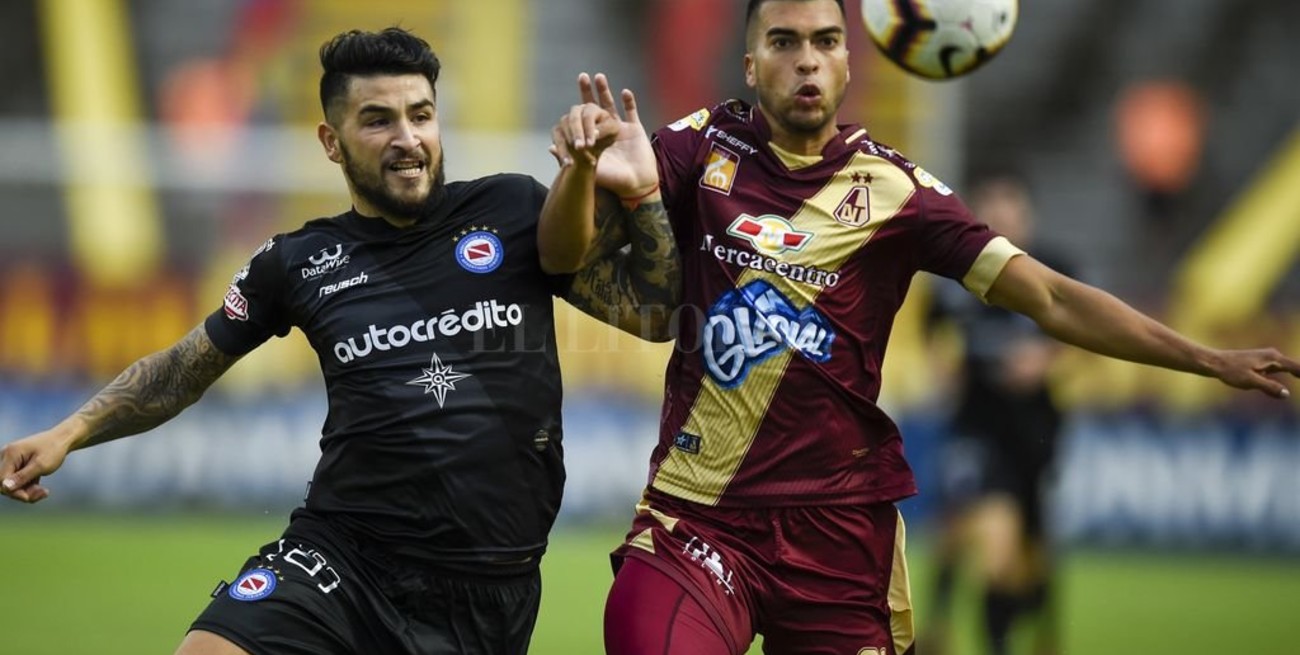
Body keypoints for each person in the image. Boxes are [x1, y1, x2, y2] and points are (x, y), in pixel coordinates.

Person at [562, 2, 1300, 654]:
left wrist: (1207, 359)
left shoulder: (898, 192)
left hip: (837, 539)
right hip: (698, 520)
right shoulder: (698, 149)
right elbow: (568, 259)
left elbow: (1049, 297)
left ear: (849, 61)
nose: (807, 59)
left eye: (825, 40)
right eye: (784, 41)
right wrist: (582, 177)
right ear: (750, 63)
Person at [0, 28, 675, 655]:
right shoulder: (296, 262)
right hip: (341, 558)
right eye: (378, 120)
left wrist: (642, 195)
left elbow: (655, 315)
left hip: (487, 594)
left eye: (420, 115)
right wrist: (68, 432)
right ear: (331, 140)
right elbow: (183, 370)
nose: (407, 138)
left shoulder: (516, 211)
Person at [923, 176, 1072, 655]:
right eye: (992, 208)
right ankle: (946, 628)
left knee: (1031, 550)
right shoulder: (959, 275)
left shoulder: (1053, 269)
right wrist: (943, 369)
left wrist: (1044, 359)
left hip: (1035, 428)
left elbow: (1083, 336)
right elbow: (932, 328)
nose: (1003, 217)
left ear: (1029, 216)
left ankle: (1043, 628)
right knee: (981, 541)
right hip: (975, 426)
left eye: (1011, 208)